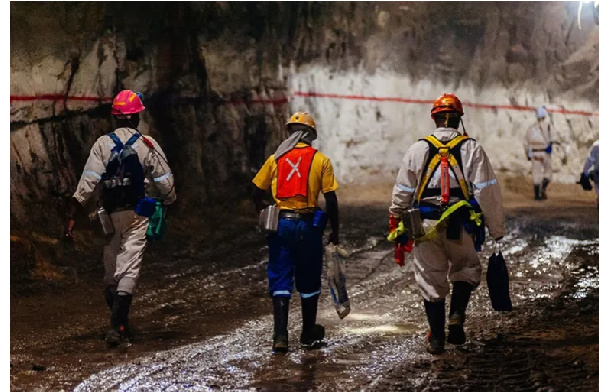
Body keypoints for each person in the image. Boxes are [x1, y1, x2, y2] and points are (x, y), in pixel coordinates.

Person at [388, 93, 505, 355]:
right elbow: (487, 191)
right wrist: (497, 230)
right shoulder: (471, 148)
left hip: (425, 225)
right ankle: (457, 315)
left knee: (430, 278)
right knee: (466, 268)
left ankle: (437, 338)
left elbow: (403, 190)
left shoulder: (417, 149)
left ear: (435, 119)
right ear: (458, 119)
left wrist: (395, 219)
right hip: (460, 224)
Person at [64, 90, 176, 347]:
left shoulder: (102, 144)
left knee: (111, 267)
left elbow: (88, 181)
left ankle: (120, 322)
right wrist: (168, 201)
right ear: (137, 117)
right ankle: (117, 327)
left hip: (109, 214)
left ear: (115, 118)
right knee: (129, 266)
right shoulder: (147, 144)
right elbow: (164, 181)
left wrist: (72, 212)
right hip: (139, 213)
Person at [251, 111, 340, 354]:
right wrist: (335, 231)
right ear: (310, 136)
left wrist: (264, 209)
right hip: (308, 226)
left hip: (281, 224)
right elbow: (331, 199)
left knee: (280, 276)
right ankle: (308, 332)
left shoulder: (275, 159)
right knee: (309, 279)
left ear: (290, 133)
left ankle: (280, 336)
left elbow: (256, 190)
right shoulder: (321, 160)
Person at [524, 106, 554, 200]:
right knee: (548, 173)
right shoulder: (548, 126)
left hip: (534, 152)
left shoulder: (531, 128)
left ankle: (537, 195)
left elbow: (526, 142)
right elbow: (553, 139)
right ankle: (543, 190)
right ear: (544, 115)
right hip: (545, 152)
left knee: (536, 173)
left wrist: (528, 154)